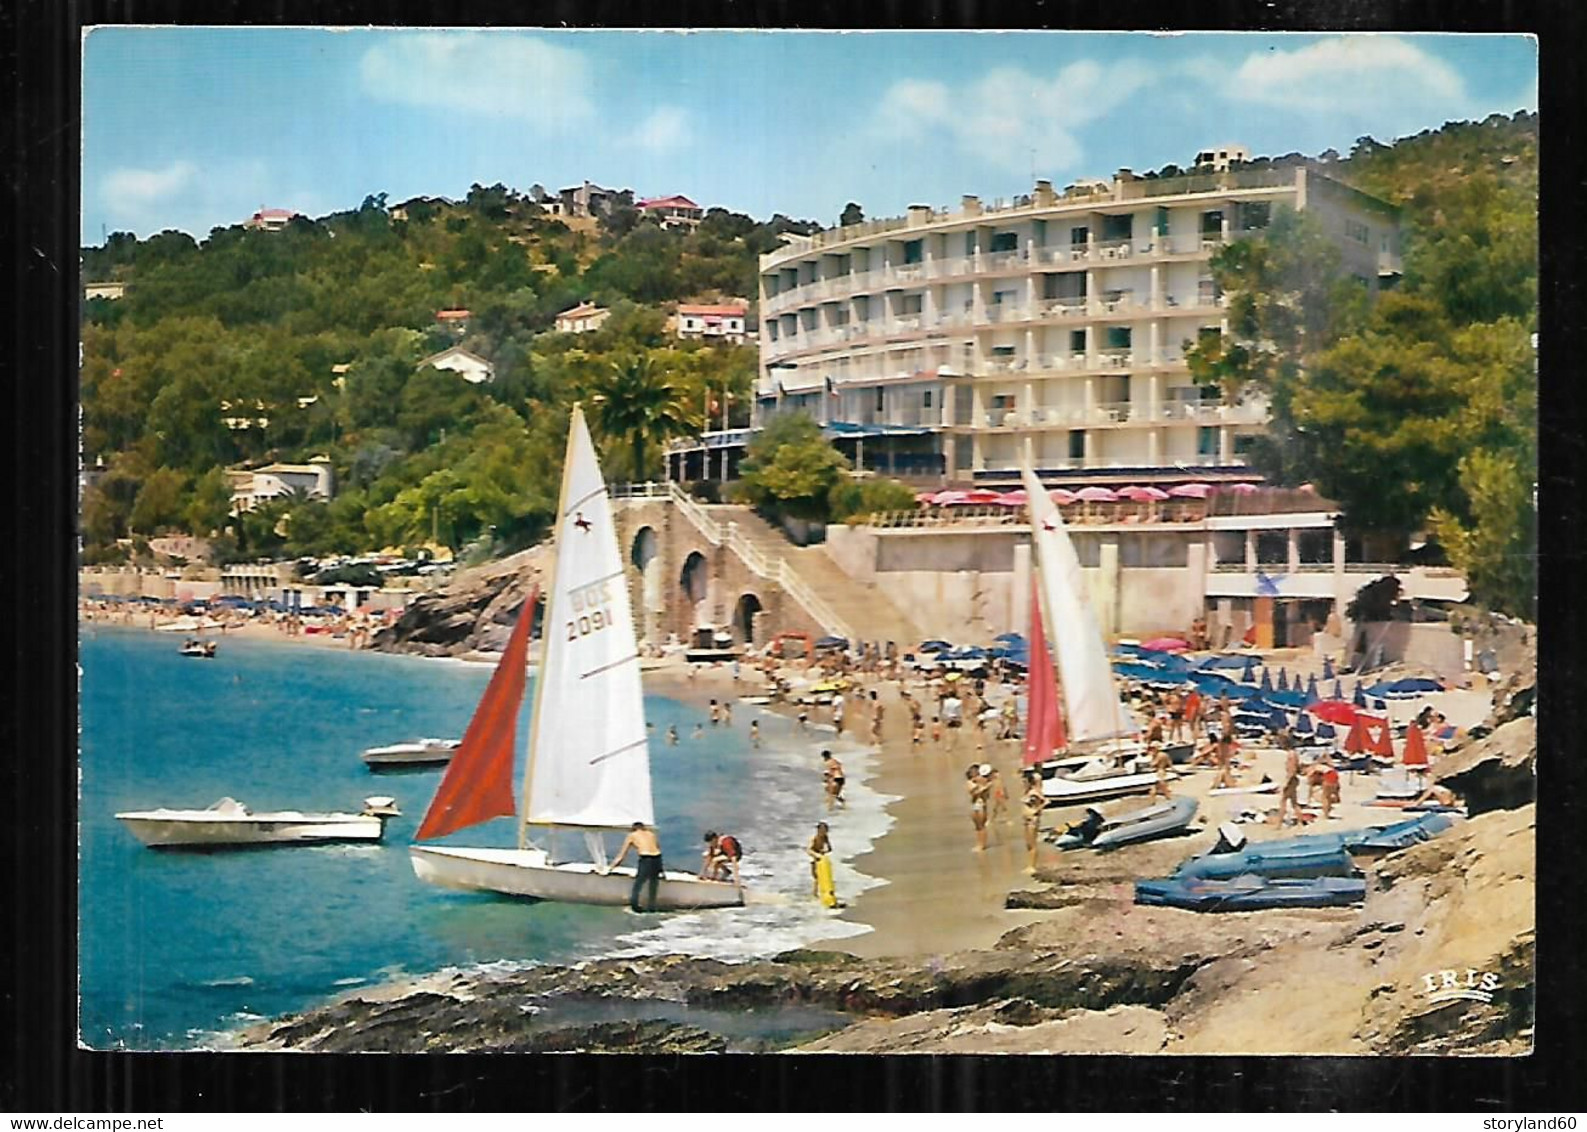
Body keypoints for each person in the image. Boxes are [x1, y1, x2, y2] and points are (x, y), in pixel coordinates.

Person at [606, 822, 665, 913]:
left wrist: (610, 868)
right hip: (657, 858)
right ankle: (652, 907)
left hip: (646, 859)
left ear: (633, 828)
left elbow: (621, 855)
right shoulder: (651, 834)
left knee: (638, 883)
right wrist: (661, 869)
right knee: (653, 883)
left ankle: (635, 906)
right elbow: (657, 848)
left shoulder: (632, 835)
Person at [1021, 770, 1045, 874]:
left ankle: (1032, 866)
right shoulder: (1029, 792)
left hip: (1032, 820)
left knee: (1032, 844)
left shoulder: (1034, 793)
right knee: (1028, 844)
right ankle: (1030, 865)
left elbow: (1045, 801)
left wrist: (1036, 810)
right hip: (1028, 819)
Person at [1273, 743, 1302, 826]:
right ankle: (1300, 822)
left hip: (1291, 779)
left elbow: (1292, 770)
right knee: (1294, 803)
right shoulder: (1294, 754)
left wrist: (1286, 783)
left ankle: (1279, 823)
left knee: (1283, 801)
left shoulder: (1291, 755)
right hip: (1294, 779)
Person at [807, 822, 835, 904]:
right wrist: (816, 855)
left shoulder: (825, 837)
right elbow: (808, 850)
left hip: (821, 858)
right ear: (818, 830)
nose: (824, 833)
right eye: (822, 831)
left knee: (822, 877)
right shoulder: (814, 838)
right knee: (816, 877)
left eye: (825, 831)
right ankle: (814, 894)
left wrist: (825, 851)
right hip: (813, 858)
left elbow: (830, 848)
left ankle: (823, 893)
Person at [966, 764, 992, 852]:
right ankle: (979, 844)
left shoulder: (985, 782)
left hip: (981, 805)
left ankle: (982, 845)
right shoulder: (971, 782)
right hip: (975, 805)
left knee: (981, 826)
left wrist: (983, 787)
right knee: (977, 827)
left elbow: (981, 793)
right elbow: (973, 793)